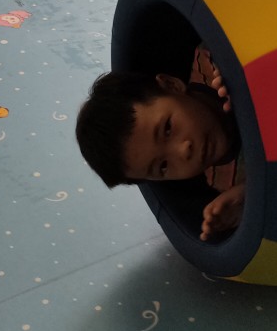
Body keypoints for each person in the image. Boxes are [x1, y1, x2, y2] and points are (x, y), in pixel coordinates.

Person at [76, 48, 245, 241]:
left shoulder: (211, 59)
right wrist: (247, 195)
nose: (184, 150)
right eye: (163, 166)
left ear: (171, 86)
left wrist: (239, 71)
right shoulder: (224, 181)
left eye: (167, 128)